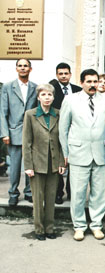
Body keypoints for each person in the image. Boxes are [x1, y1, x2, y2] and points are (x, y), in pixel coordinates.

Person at [59, 69, 105, 241]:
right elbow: (63, 129)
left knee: (99, 193)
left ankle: (96, 225)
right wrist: (65, 153)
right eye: (88, 81)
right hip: (78, 152)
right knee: (78, 193)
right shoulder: (71, 99)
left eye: (95, 81)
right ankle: (79, 226)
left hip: (100, 152)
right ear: (81, 82)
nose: (92, 85)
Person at [22, 84, 66, 240]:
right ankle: (39, 229)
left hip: (53, 163)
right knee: (38, 198)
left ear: (54, 97)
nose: (47, 97)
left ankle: (49, 227)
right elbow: (26, 142)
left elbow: (62, 141)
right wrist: (28, 166)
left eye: (50, 95)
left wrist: (62, 162)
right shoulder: (30, 115)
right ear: (38, 97)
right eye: (44, 95)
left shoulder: (58, 114)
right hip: (36, 163)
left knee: (51, 196)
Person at [0, 59, 37, 207]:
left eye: (25, 66)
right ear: (16, 68)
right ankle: (13, 193)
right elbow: (3, 112)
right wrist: (4, 133)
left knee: (30, 164)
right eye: (20, 66)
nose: (23, 68)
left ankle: (29, 192)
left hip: (31, 132)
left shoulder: (35, 87)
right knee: (15, 166)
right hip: (13, 132)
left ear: (30, 69)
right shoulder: (9, 87)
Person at [49, 62, 82, 205]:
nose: (63, 76)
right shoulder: (52, 89)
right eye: (60, 73)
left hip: (75, 130)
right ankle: (58, 192)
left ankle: (71, 191)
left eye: (66, 73)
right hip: (57, 130)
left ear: (70, 74)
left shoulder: (78, 90)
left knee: (73, 161)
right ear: (57, 75)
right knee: (59, 162)